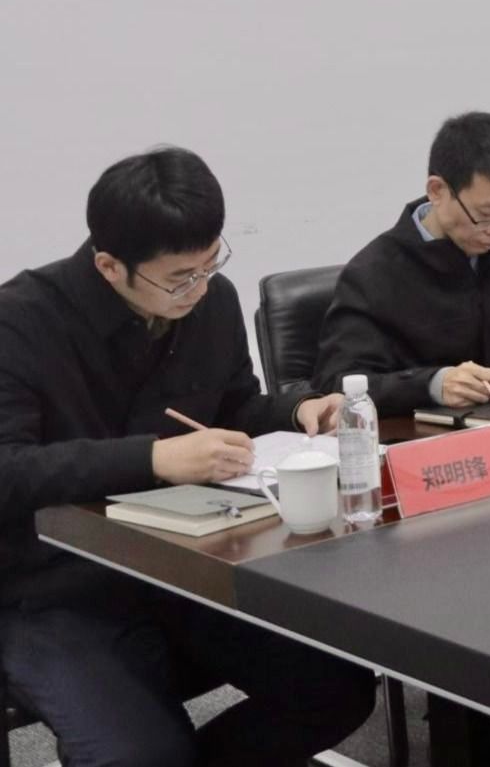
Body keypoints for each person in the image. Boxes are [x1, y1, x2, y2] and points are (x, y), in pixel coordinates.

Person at [0, 148, 376, 766]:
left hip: (181, 569)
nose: (199, 289)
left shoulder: (211, 302)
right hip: (53, 591)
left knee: (335, 688)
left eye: (211, 263)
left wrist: (299, 410)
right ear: (108, 265)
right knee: (142, 755)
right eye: (179, 278)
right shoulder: (21, 322)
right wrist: (153, 459)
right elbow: (9, 470)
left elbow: (232, 407)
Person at [316, 112, 490, 416]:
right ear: (437, 191)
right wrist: (432, 384)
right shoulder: (373, 274)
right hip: (428, 437)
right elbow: (336, 382)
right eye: (485, 216)